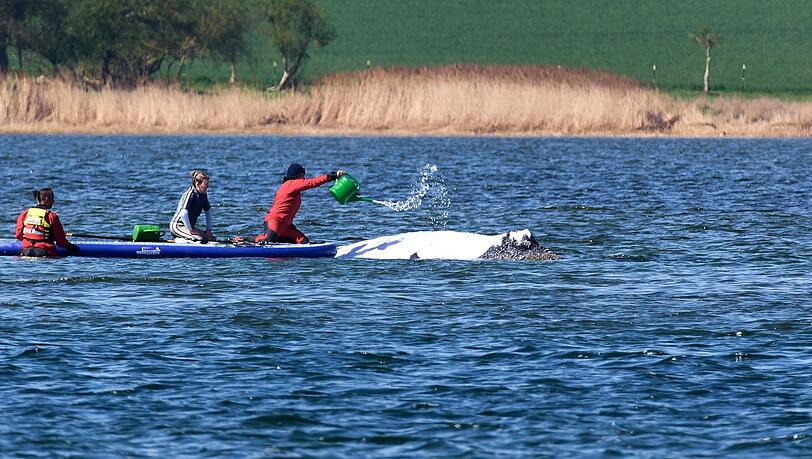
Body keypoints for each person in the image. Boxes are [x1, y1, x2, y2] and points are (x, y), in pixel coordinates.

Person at [255, 163, 344, 244]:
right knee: (268, 241)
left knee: (304, 242)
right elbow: (312, 183)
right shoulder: (291, 184)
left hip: (286, 226)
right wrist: (333, 176)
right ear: (298, 175)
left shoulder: (291, 186)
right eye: (303, 175)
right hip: (275, 221)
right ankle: (248, 240)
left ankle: (277, 239)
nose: (304, 178)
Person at [15, 188, 80, 257]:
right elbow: (61, 242)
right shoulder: (51, 216)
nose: (53, 201)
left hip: (26, 252)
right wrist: (73, 248)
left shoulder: (25, 214)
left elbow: (18, 235)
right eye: (52, 199)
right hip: (45, 253)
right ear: (46, 199)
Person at [170, 170, 215, 241]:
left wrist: (208, 229)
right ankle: (178, 241)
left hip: (189, 228)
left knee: (211, 239)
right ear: (197, 184)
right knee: (198, 239)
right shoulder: (190, 195)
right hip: (178, 226)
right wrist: (190, 230)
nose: (207, 187)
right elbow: (183, 213)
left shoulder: (203, 194)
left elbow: (208, 211)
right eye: (205, 185)